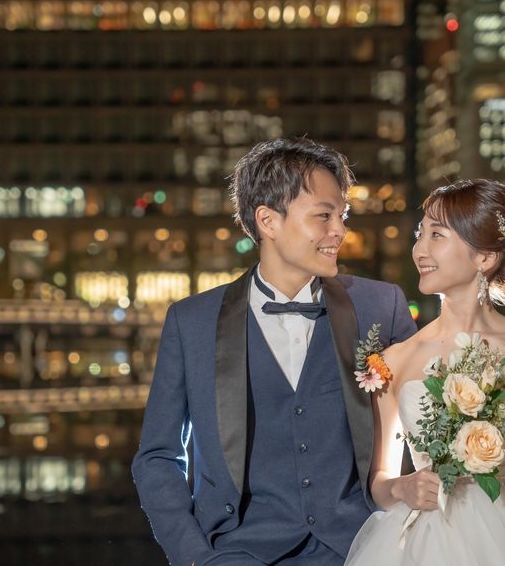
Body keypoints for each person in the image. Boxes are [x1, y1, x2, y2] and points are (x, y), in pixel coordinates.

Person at [132, 137, 417, 566]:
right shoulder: (191, 322)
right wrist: (195, 556)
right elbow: (157, 457)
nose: (339, 231)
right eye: (323, 215)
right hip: (238, 552)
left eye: (342, 216)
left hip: (360, 547)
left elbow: (421, 427)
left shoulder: (380, 306)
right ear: (268, 220)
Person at [345, 178, 505, 566]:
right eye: (420, 234)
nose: (419, 249)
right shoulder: (395, 360)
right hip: (430, 542)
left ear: (484, 257)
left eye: (437, 235)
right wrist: (403, 487)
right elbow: (380, 481)